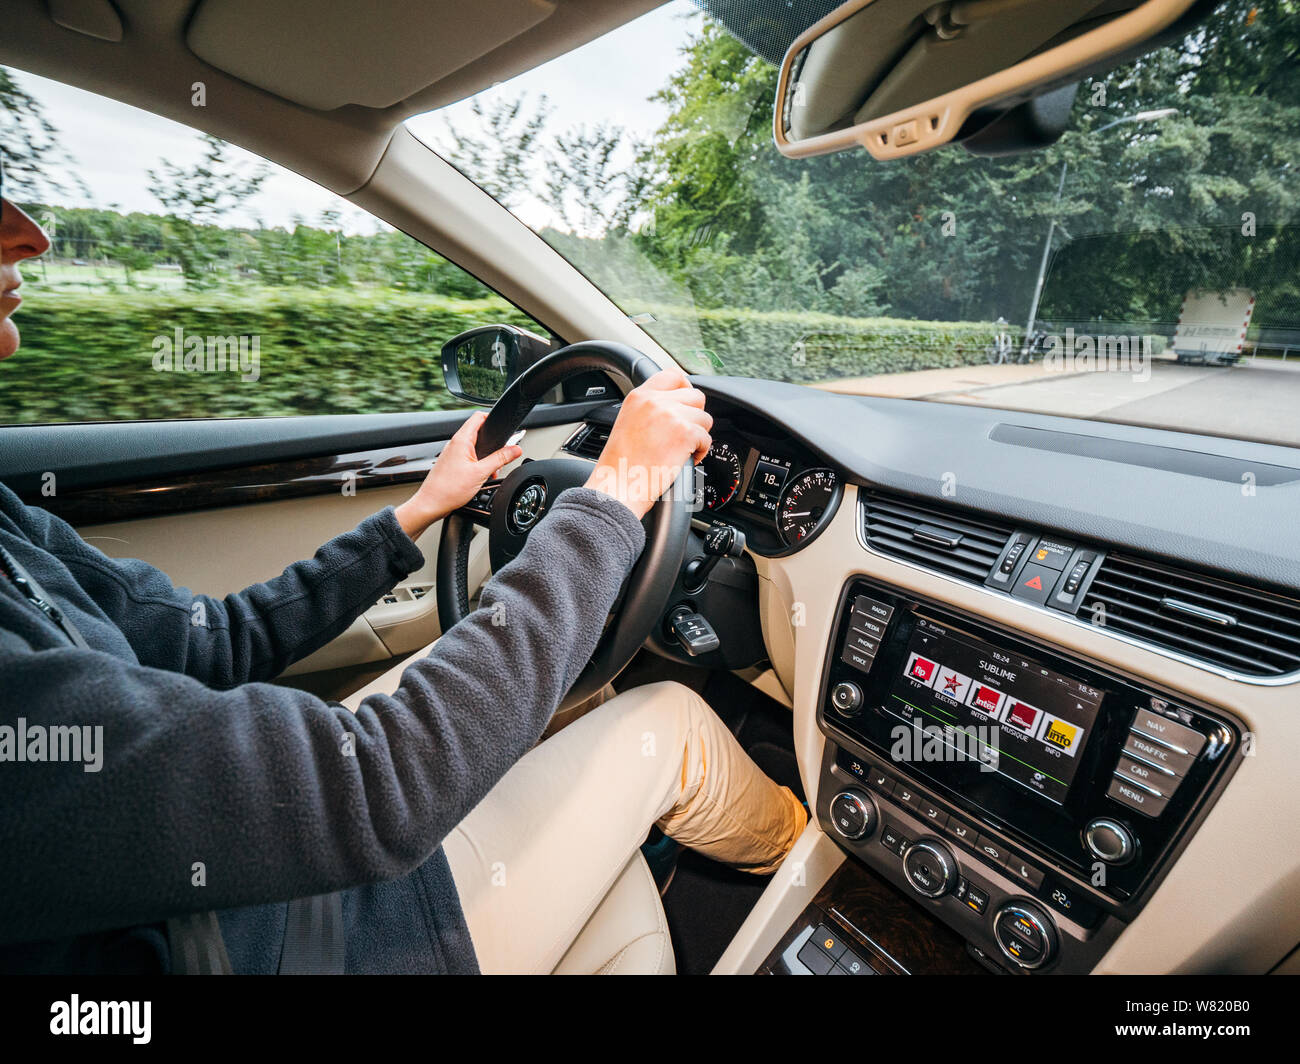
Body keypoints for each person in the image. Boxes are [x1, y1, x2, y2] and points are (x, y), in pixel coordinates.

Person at [0, 175, 806, 974]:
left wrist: (417, 513)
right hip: (278, 944)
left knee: (580, 689)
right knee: (671, 719)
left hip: (226, 887)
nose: (30, 232)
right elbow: (381, 786)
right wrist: (615, 495)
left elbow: (213, 641)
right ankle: (808, 859)